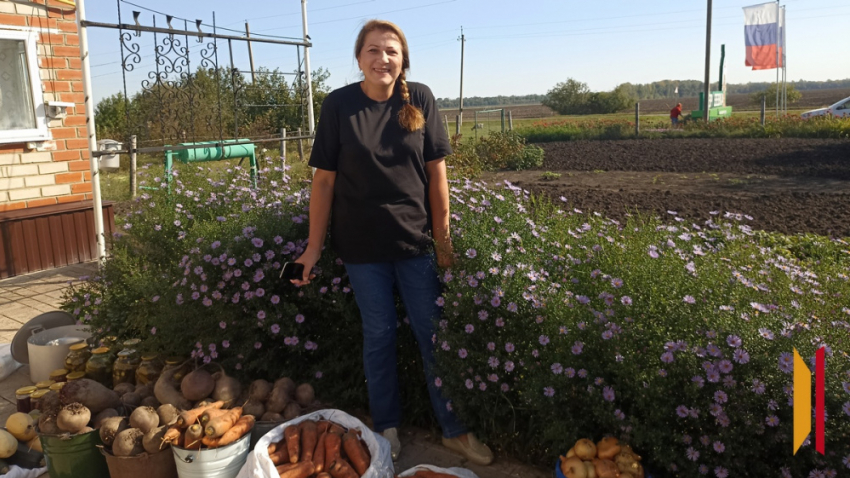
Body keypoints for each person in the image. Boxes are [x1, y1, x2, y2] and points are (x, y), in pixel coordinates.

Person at [292, 19, 494, 466]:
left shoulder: (419, 98)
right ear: (358, 57)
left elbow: (437, 177)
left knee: (433, 334)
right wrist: (312, 248)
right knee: (379, 335)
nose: (382, 59)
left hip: (417, 244)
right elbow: (324, 183)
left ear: (402, 60)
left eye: (391, 51)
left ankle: (454, 430)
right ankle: (386, 428)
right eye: (373, 50)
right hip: (362, 249)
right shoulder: (338, 106)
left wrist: (443, 242)